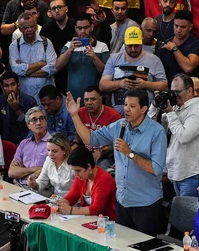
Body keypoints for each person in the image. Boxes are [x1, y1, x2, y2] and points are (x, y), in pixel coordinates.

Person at [66, 89, 167, 236]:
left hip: (145, 204)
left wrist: (130, 153)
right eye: (125, 104)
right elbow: (90, 139)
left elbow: (157, 169)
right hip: (122, 200)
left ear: (144, 109)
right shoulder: (120, 125)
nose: (126, 109)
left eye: (132, 106)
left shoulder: (157, 132)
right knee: (122, 248)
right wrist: (75, 115)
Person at [148, 74, 199, 197]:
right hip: (178, 173)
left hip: (193, 175)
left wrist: (170, 113)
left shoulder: (197, 110)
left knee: (188, 215)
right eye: (171, 92)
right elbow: (150, 126)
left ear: (189, 91)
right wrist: (155, 105)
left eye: (177, 92)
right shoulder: (177, 109)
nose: (173, 95)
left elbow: (184, 136)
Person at [100, 26, 168, 115]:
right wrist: (120, 83)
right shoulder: (114, 59)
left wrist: (145, 84)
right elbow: (102, 85)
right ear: (124, 42)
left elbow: (164, 86)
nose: (133, 49)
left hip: (145, 115)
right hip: (118, 115)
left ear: (142, 42)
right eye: (130, 46)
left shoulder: (154, 60)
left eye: (136, 46)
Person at [56, 14, 109, 101]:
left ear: (92, 27)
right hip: (74, 98)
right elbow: (58, 66)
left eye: (86, 27)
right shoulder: (69, 45)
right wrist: (70, 50)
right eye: (79, 28)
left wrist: (94, 57)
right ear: (75, 28)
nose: (83, 31)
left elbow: (105, 72)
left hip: (94, 99)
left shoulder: (102, 46)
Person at [9, 11, 57, 103]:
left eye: (32, 26)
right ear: (20, 29)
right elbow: (15, 69)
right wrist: (41, 63)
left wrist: (25, 71)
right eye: (26, 27)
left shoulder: (46, 42)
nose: (30, 29)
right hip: (26, 95)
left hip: (48, 96)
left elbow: (53, 67)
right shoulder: (15, 46)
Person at [58, 146, 116, 219]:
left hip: (107, 222)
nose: (76, 174)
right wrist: (63, 202)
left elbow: (96, 209)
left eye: (78, 171)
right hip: (89, 219)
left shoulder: (104, 179)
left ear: (89, 167)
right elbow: (72, 195)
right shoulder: (82, 176)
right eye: (74, 171)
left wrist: (70, 210)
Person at [74, 86, 121, 169]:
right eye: (86, 100)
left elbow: (121, 141)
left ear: (100, 99)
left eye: (93, 99)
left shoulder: (113, 115)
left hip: (105, 157)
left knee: (99, 171)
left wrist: (107, 149)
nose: (89, 103)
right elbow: (78, 134)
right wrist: (75, 144)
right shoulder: (80, 112)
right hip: (85, 154)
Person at [156, 10, 199, 82]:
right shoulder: (165, 46)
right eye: (176, 26)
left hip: (189, 90)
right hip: (169, 90)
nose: (178, 30)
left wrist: (174, 48)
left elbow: (188, 67)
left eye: (183, 27)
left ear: (190, 27)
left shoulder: (197, 45)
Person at [0, 71, 37, 145]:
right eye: (6, 86)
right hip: (6, 141)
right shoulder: (1, 99)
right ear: (2, 87)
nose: (10, 89)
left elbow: (31, 127)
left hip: (25, 141)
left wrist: (16, 109)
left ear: (18, 85)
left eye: (13, 85)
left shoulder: (29, 101)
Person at [8, 107, 50, 185]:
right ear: (28, 125)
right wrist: (35, 169)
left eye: (41, 118)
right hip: (18, 186)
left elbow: (49, 173)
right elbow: (11, 172)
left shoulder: (53, 144)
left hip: (41, 188)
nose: (38, 123)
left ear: (46, 122)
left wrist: (22, 172)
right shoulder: (24, 143)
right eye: (34, 120)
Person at [27, 133, 74, 198]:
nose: (50, 154)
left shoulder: (73, 164)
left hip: (73, 201)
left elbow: (79, 190)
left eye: (54, 151)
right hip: (55, 199)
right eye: (48, 150)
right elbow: (42, 180)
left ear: (64, 150)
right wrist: (34, 184)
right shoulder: (48, 160)